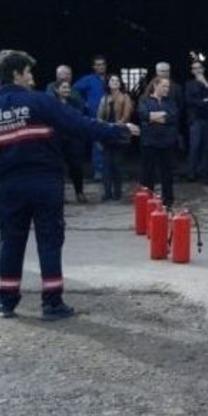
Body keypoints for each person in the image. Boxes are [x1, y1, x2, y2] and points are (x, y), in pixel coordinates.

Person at [0, 50, 138, 320]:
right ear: (17, 74)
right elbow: (79, 124)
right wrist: (118, 130)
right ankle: (52, 304)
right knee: (49, 240)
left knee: (11, 241)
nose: (31, 78)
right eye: (28, 73)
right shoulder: (40, 102)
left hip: (8, 187)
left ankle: (6, 302)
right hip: (44, 183)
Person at [138, 76, 179, 208]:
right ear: (156, 86)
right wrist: (161, 114)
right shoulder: (144, 100)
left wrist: (153, 117)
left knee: (167, 173)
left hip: (167, 142)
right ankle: (147, 199)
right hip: (149, 142)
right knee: (147, 172)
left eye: (168, 87)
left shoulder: (170, 101)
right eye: (164, 86)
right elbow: (143, 115)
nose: (167, 89)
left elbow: (173, 117)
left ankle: (168, 200)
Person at [97, 74, 133, 201]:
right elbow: (99, 117)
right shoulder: (104, 98)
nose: (115, 82)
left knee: (117, 164)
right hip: (107, 134)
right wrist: (103, 127)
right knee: (106, 165)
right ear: (108, 83)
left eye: (117, 80)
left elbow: (127, 115)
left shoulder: (125, 97)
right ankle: (107, 192)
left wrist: (117, 125)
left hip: (119, 134)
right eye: (112, 80)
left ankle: (117, 192)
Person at [185, 59, 208, 183]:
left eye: (199, 68)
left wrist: (205, 83)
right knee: (194, 146)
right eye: (194, 68)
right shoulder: (189, 84)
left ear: (203, 69)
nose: (197, 70)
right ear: (191, 71)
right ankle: (191, 172)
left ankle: (204, 172)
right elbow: (189, 100)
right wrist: (203, 102)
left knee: (207, 147)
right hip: (195, 119)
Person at [73, 54, 108, 179]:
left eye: (102, 64)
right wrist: (84, 104)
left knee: (110, 142)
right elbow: (74, 91)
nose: (100, 67)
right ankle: (98, 171)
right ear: (93, 67)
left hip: (110, 115)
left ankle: (110, 170)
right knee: (97, 142)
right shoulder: (88, 79)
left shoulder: (110, 79)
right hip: (95, 115)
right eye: (98, 65)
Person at [54, 81, 88, 203]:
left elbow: (79, 118)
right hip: (58, 140)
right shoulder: (52, 104)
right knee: (59, 168)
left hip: (73, 139)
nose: (66, 90)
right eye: (63, 88)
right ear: (57, 90)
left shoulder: (75, 103)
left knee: (76, 167)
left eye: (68, 88)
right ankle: (61, 195)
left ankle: (79, 192)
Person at [155, 62, 186, 151]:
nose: (164, 73)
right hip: (155, 122)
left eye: (166, 71)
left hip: (172, 122)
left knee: (171, 149)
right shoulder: (150, 87)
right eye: (161, 71)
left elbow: (181, 105)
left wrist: (172, 116)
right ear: (157, 72)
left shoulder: (177, 87)